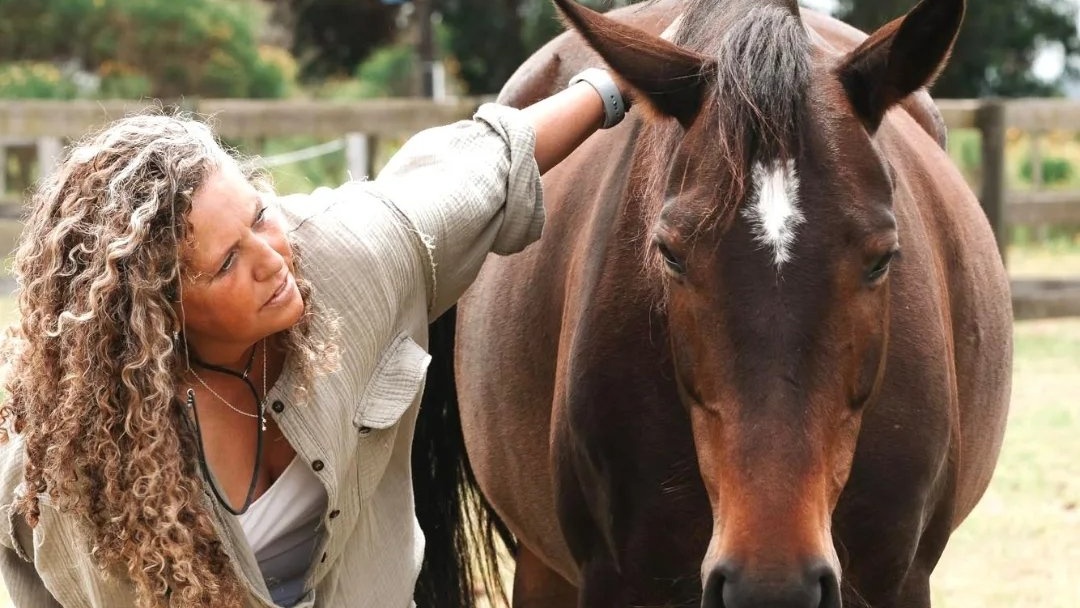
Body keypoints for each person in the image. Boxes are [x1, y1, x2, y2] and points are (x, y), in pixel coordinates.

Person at [0, 68, 630, 608]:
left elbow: (486, 161)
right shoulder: (74, 466)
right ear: (157, 312)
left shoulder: (346, 257)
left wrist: (610, 84)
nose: (273, 259)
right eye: (225, 264)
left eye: (258, 216)